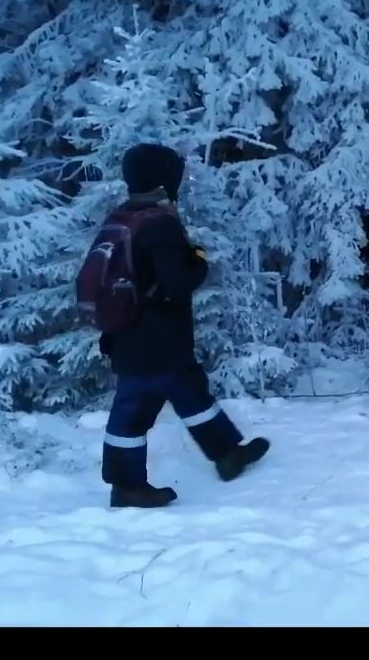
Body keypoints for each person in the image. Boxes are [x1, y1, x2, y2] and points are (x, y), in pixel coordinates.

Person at [96, 142, 269, 509]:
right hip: (156, 340)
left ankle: (226, 453)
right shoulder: (159, 223)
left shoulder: (119, 219)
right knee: (133, 412)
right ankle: (126, 486)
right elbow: (177, 283)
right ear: (164, 178)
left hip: (129, 335)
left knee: (191, 394)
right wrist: (199, 257)